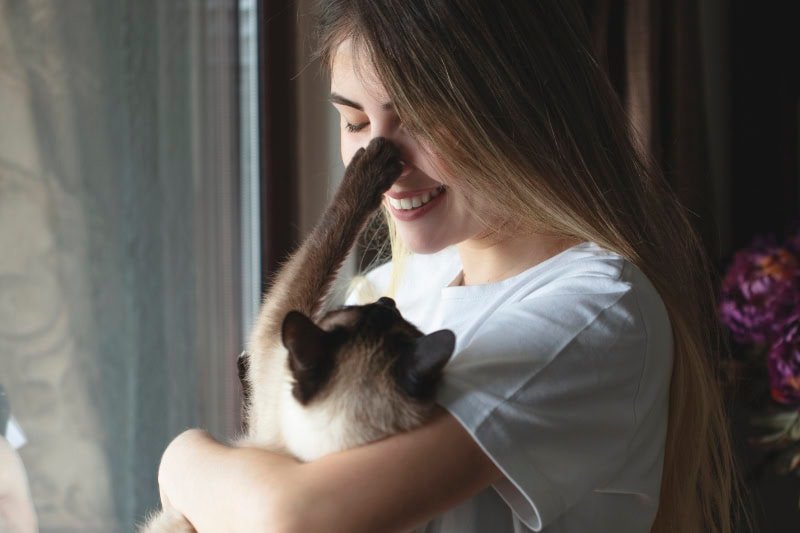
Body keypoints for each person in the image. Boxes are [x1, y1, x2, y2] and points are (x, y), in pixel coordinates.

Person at [157, 1, 744, 531]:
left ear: (519, 106)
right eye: (356, 122)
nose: (379, 159)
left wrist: (182, 457)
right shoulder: (395, 288)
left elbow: (294, 519)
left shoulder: (592, 313)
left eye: (418, 117)